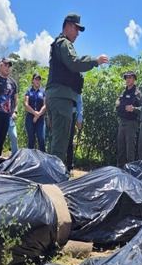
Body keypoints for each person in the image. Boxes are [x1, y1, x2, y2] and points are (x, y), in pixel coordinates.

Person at [46, 12, 109, 164]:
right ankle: (53, 181)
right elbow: (74, 63)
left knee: (56, 141)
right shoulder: (64, 43)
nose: (77, 34)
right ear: (68, 26)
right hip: (62, 98)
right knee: (60, 145)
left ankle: (51, 176)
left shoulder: (58, 44)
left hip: (55, 96)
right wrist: (95, 61)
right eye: (76, 29)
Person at [115, 71, 141, 168]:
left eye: (130, 77)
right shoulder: (124, 92)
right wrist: (117, 103)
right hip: (122, 122)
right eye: (126, 78)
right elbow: (119, 104)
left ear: (134, 79)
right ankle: (120, 170)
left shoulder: (137, 93)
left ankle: (130, 172)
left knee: (130, 150)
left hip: (131, 123)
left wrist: (134, 109)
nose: (128, 79)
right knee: (121, 148)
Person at [24, 72, 46, 152]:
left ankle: (43, 160)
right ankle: (30, 161)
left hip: (40, 118)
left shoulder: (43, 92)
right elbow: (26, 104)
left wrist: (38, 114)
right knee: (31, 140)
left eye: (39, 79)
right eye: (36, 79)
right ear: (33, 80)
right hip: (30, 118)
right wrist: (34, 113)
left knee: (41, 139)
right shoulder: (28, 91)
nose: (37, 81)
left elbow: (45, 105)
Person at [66, 94, 83, 174]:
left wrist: (79, 119)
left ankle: (69, 167)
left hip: (72, 115)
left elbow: (79, 103)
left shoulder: (75, 86)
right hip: (62, 114)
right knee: (60, 141)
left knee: (69, 141)